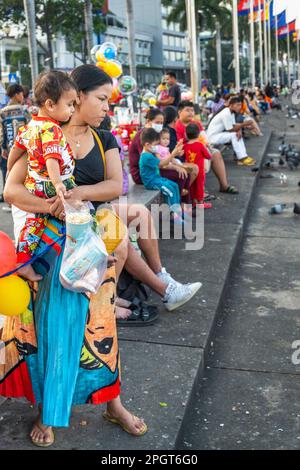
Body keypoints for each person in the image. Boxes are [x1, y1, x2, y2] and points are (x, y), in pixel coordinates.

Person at [2, 64, 148, 446]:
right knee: (49, 330)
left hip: (94, 245)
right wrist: (53, 208)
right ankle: (49, 408)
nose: (106, 107)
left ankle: (113, 403)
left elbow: (115, 184)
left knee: (101, 328)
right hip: (51, 247)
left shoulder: (105, 138)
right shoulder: (41, 132)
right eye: (101, 99)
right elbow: (11, 191)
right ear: (75, 96)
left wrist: (79, 196)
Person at [7, 71, 78, 282]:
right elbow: (52, 159)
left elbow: (15, 150)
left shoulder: (29, 126)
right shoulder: (52, 129)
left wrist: (11, 169)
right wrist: (58, 185)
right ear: (50, 104)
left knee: (34, 224)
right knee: (80, 214)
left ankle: (22, 260)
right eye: (70, 104)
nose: (73, 110)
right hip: (52, 184)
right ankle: (89, 251)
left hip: (35, 185)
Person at [175, 100, 238, 194]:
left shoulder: (196, 123)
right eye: (187, 110)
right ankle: (199, 191)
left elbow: (204, 137)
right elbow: (180, 145)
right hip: (187, 152)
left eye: (192, 110)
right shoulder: (178, 126)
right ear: (180, 112)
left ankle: (224, 185)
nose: (191, 113)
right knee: (199, 158)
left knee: (216, 153)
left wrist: (206, 145)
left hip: (201, 147)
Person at [129, 108, 191, 200]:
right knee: (180, 175)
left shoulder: (154, 133)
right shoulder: (144, 136)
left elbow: (162, 156)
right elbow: (158, 163)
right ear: (148, 121)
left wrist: (176, 158)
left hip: (155, 167)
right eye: (157, 122)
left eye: (161, 123)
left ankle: (184, 203)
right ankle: (179, 204)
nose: (159, 125)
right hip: (145, 174)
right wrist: (175, 164)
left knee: (186, 173)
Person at [139, 127, 185, 224]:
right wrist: (173, 154)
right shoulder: (146, 157)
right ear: (147, 145)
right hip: (151, 183)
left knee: (175, 186)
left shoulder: (150, 153)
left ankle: (177, 210)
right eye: (156, 145)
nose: (157, 147)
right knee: (170, 191)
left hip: (157, 179)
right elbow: (162, 164)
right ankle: (173, 215)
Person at [206, 96, 256, 166]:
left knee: (237, 134)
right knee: (234, 135)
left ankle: (244, 156)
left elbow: (234, 125)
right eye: (237, 105)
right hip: (212, 137)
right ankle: (241, 158)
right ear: (231, 105)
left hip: (218, 135)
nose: (240, 107)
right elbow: (230, 129)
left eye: (240, 105)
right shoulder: (226, 113)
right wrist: (244, 124)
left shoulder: (231, 112)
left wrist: (239, 130)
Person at [0, 83, 28, 204]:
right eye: (21, 94)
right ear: (17, 95)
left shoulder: (2, 112)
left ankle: (9, 200)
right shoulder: (24, 111)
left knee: (7, 173)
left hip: (8, 150)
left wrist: (2, 148)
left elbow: (1, 133)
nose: (23, 96)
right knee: (23, 175)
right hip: (23, 151)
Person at [184, 123, 212, 208]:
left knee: (192, 187)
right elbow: (208, 156)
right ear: (198, 134)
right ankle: (200, 203)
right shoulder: (200, 145)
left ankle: (194, 202)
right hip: (200, 171)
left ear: (186, 134)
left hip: (190, 171)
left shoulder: (185, 146)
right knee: (200, 187)